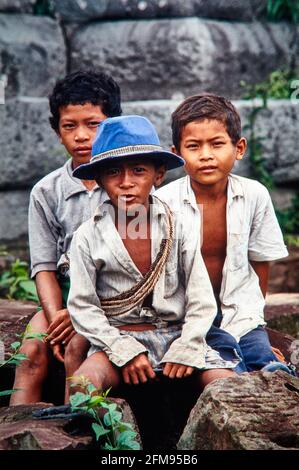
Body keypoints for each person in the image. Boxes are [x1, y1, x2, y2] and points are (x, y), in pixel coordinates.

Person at [67, 115, 240, 396]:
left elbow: (201, 300)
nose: (126, 182)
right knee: (82, 385)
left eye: (138, 170)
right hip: (119, 339)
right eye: (113, 172)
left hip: (177, 335)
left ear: (158, 174)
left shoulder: (179, 225)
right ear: (98, 179)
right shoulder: (87, 237)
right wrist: (124, 350)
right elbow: (83, 308)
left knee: (228, 388)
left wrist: (187, 345)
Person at [156, 93, 294, 385]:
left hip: (240, 313)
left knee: (264, 362)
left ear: (239, 147)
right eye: (193, 146)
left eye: (217, 144)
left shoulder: (255, 195)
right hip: (188, 317)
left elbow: (260, 264)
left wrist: (254, 315)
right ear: (178, 153)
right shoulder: (163, 203)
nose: (206, 155)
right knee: (228, 370)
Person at [10, 70, 122, 405]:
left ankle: (74, 430)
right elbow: (43, 266)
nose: (81, 136)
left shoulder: (131, 183)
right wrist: (58, 314)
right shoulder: (46, 191)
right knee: (30, 352)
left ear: (112, 125)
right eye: (69, 126)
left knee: (81, 351)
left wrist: (82, 315)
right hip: (65, 293)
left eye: (93, 124)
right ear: (57, 132)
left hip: (116, 294)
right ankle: (19, 431)